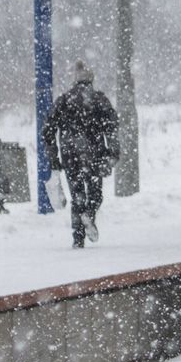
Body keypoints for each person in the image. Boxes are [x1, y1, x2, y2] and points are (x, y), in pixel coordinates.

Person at [42, 60, 120, 248]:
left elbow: (48, 130)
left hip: (70, 155)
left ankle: (78, 239)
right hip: (95, 153)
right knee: (95, 193)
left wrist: (54, 157)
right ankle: (89, 214)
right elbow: (112, 127)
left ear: (75, 81)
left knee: (77, 195)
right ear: (91, 80)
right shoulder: (99, 99)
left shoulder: (64, 100)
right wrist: (113, 152)